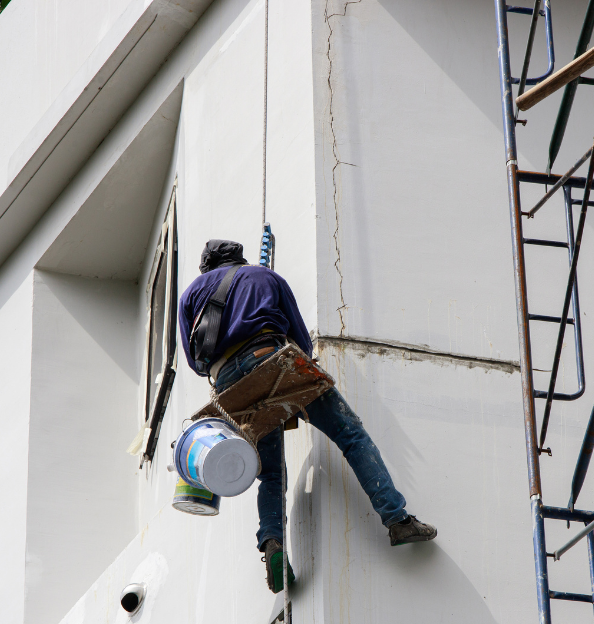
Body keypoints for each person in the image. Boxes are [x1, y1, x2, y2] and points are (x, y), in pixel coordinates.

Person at [179, 239, 437, 593]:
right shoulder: (264, 276)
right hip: (272, 357)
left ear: (207, 268)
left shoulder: (192, 294)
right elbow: (300, 337)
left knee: (270, 473)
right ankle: (397, 519)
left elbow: (196, 363)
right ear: (240, 258)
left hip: (230, 388)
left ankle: (273, 543)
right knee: (351, 435)